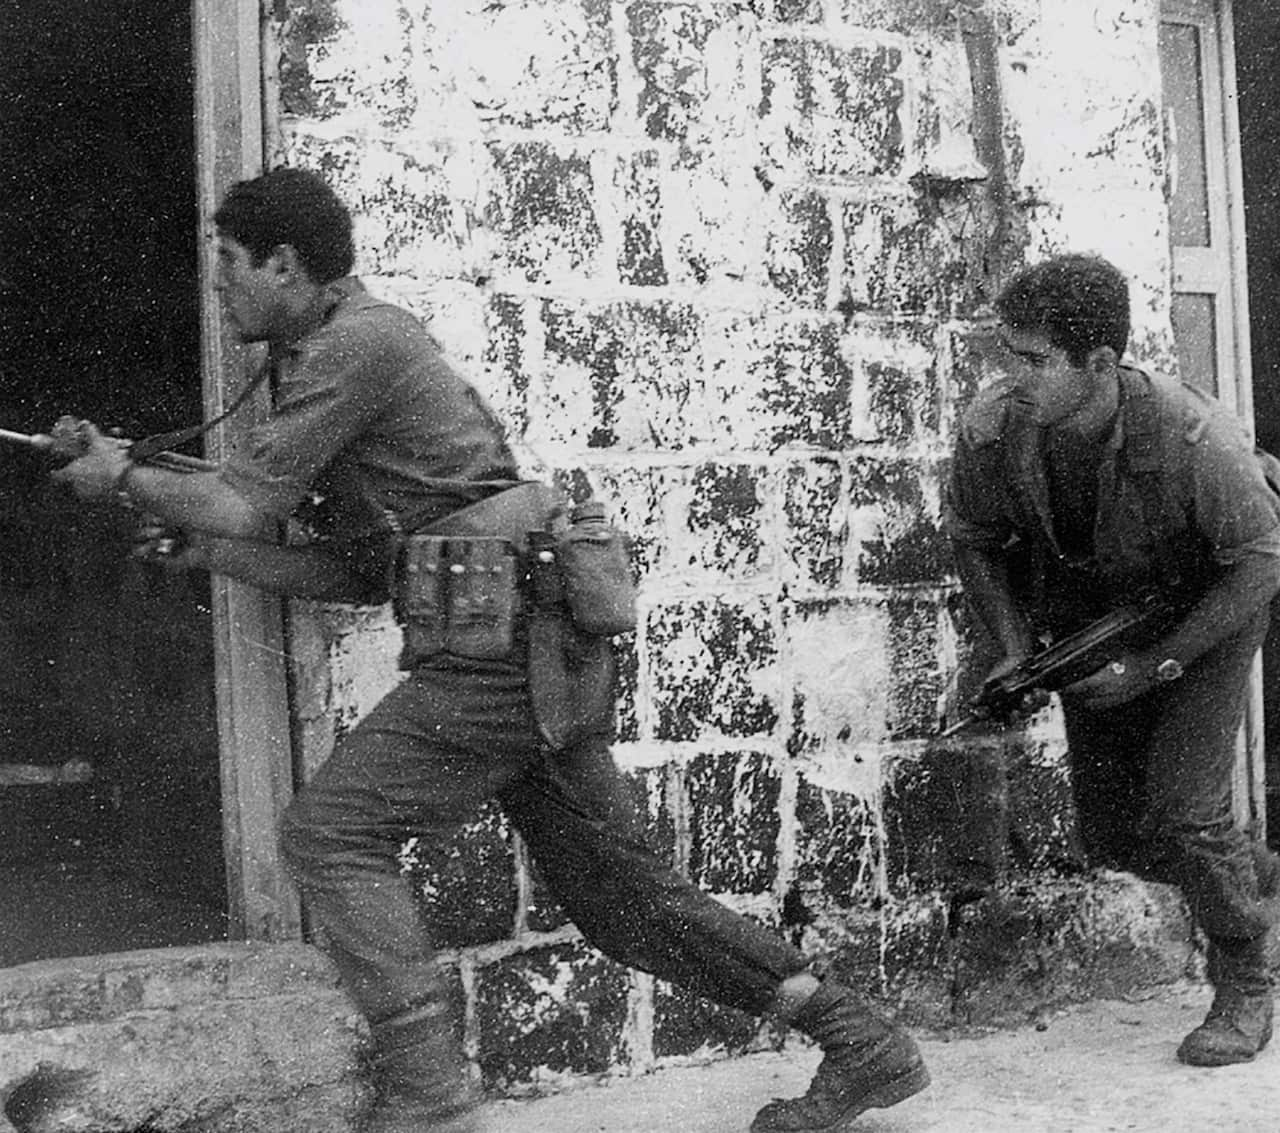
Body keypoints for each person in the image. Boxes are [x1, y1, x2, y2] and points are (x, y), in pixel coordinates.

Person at [51, 167, 930, 1133]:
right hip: (515, 641)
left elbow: (242, 496)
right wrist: (204, 546)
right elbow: (352, 571)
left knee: (329, 832)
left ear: (285, 264)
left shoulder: (359, 343)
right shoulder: (325, 357)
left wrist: (127, 474)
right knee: (625, 900)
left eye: (227, 266)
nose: (216, 289)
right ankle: (861, 1040)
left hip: (506, 645)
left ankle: (429, 1100)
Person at [945, 252, 1280, 1068]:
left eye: (1030, 359)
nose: (1008, 375)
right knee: (1118, 837)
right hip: (1098, 618)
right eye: (1004, 353)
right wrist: (1016, 648)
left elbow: (1264, 559)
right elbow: (977, 541)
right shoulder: (995, 426)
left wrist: (1156, 667)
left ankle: (1247, 979)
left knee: (1184, 808)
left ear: (1098, 363)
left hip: (1207, 609)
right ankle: (1253, 879)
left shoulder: (1197, 434)